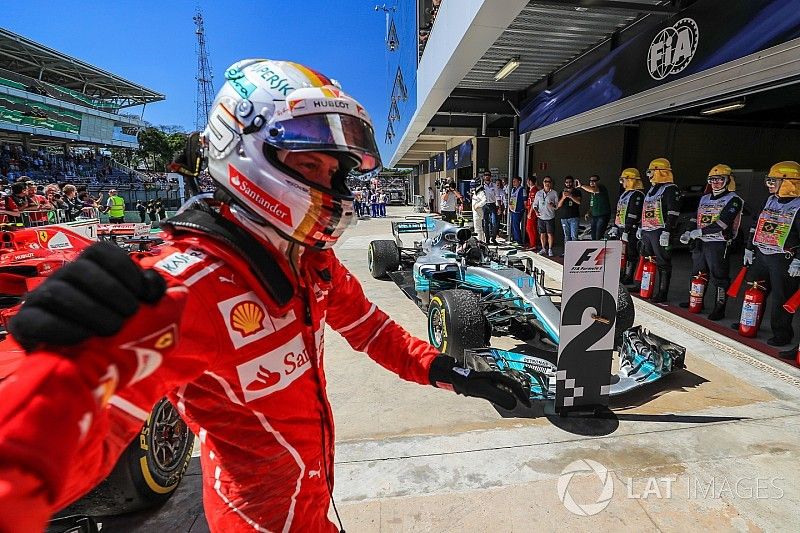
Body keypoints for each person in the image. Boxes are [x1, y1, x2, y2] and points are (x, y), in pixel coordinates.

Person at [0, 58, 530, 533]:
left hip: (313, 507)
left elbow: (371, 330)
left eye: (333, 169)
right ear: (246, 151)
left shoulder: (308, 261)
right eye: (308, 165)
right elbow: (43, 450)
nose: (329, 184)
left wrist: (451, 372)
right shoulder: (186, 287)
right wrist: (53, 369)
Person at [737, 161, 800, 347]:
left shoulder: (798, 206)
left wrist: (798, 260)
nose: (769, 184)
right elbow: (756, 224)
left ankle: (782, 333)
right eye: (769, 180)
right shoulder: (770, 200)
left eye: (774, 180)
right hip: (762, 254)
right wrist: (749, 247)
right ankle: (750, 322)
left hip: (783, 258)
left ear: (789, 182)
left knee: (781, 297)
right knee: (755, 289)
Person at [679, 164, 743, 320]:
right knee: (697, 274)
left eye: (720, 179)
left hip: (718, 243)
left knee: (719, 278)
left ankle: (719, 309)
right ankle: (695, 301)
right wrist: (688, 231)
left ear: (728, 180)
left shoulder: (734, 200)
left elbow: (723, 223)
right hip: (701, 242)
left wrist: (699, 232)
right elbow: (696, 217)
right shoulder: (704, 198)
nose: (716, 183)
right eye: (712, 179)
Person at [638, 158, 681, 303]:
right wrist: (641, 227)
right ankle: (645, 288)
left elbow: (673, 211)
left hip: (660, 231)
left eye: (651, 171)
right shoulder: (652, 189)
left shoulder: (670, 188)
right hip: (648, 231)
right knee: (647, 260)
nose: (649, 175)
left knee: (663, 262)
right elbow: (645, 210)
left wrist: (667, 230)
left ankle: (662, 292)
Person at [610, 168, 645, 285]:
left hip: (631, 229)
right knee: (621, 253)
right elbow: (619, 210)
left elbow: (633, 214)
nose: (622, 182)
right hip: (621, 228)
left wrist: (627, 230)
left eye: (623, 179)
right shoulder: (625, 194)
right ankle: (621, 273)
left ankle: (629, 276)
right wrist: (615, 226)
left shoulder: (637, 195)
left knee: (631, 253)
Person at [576, 175, 611, 240]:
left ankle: (600, 248)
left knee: (598, 236)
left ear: (599, 181)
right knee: (593, 236)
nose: (592, 182)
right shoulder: (592, 193)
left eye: (594, 181)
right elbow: (592, 205)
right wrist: (588, 212)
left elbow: (593, 190)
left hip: (603, 215)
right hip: (594, 216)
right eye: (590, 181)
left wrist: (581, 185)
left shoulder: (601, 187)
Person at [533, 176, 558, 256]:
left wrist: (553, 205)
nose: (547, 183)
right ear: (543, 183)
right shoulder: (539, 193)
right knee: (542, 234)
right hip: (541, 216)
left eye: (549, 181)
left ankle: (550, 249)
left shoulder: (554, 193)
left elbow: (557, 205)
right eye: (545, 181)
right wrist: (536, 211)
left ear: (551, 183)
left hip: (550, 216)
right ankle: (543, 248)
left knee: (550, 234)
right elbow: (535, 204)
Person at [556, 176, 581, 251]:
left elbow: (579, 202)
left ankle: (574, 252)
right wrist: (563, 197)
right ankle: (567, 252)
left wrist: (570, 196)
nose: (568, 183)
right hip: (564, 218)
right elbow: (558, 205)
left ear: (573, 183)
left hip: (574, 217)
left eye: (570, 182)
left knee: (574, 236)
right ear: (565, 183)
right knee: (566, 236)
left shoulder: (577, 191)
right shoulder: (562, 192)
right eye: (567, 182)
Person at [481, 172, 499, 244]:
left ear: (490, 177)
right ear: (483, 177)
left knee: (494, 222)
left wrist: (499, 206)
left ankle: (493, 238)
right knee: (486, 223)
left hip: (492, 205)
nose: (487, 177)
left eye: (488, 175)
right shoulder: (481, 186)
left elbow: (497, 196)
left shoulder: (494, 186)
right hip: (484, 205)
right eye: (485, 175)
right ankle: (487, 239)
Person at [508, 176, 526, 245]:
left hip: (519, 210)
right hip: (513, 209)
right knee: (513, 224)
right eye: (513, 181)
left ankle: (519, 241)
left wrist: (523, 208)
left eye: (515, 181)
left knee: (516, 225)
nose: (513, 183)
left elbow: (525, 200)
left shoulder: (522, 190)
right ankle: (514, 238)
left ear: (519, 182)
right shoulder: (513, 189)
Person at [525, 177, 539, 251]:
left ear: (530, 181)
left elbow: (534, 203)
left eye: (528, 181)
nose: (527, 183)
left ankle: (533, 244)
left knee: (530, 228)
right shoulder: (532, 190)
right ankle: (533, 243)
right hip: (530, 211)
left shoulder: (534, 190)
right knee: (531, 228)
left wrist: (530, 212)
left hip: (532, 212)